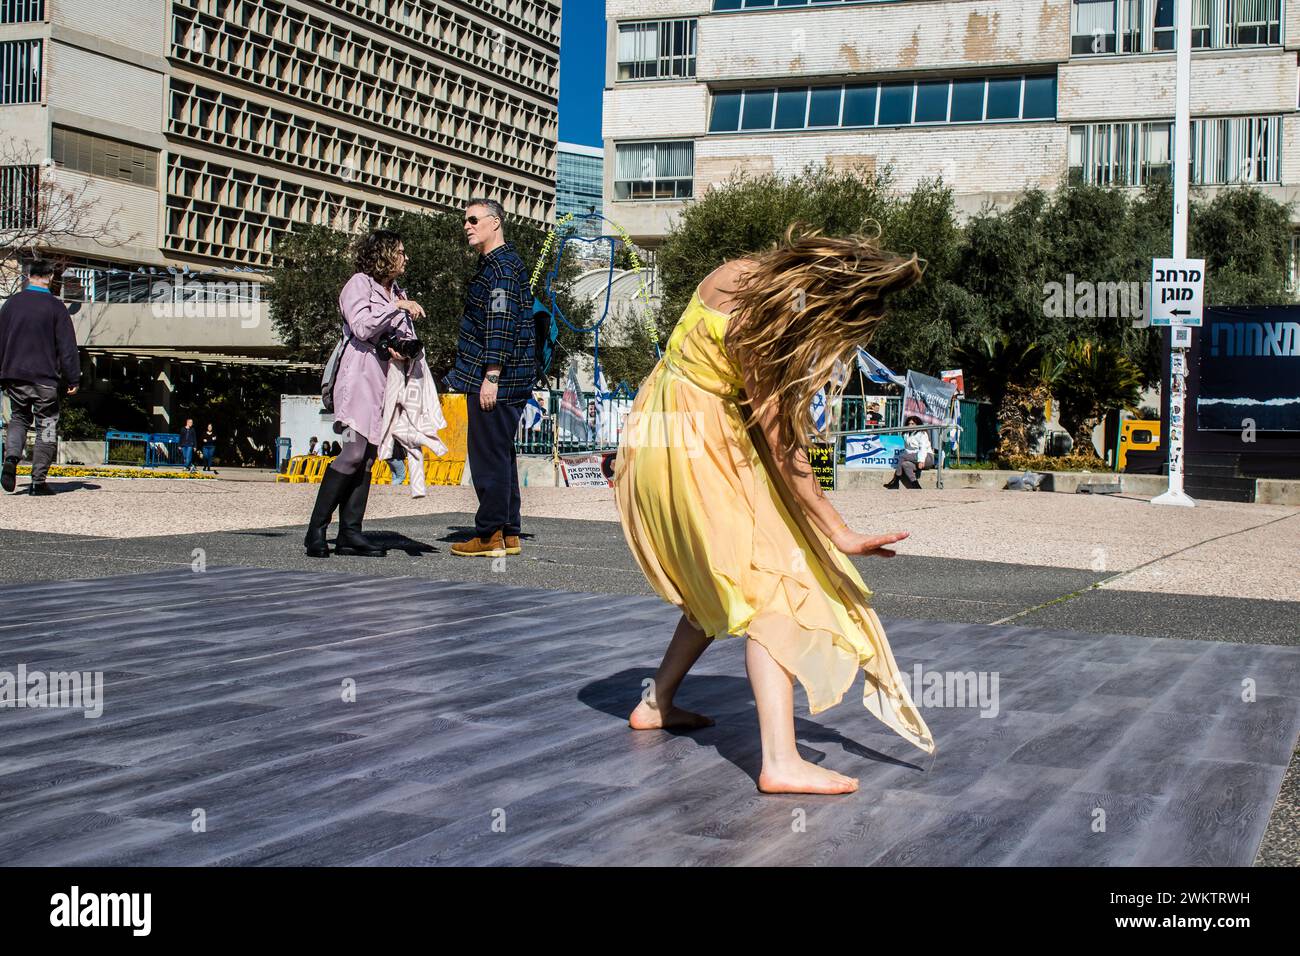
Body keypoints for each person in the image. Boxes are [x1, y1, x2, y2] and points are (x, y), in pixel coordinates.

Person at [614, 225, 935, 796]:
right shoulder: (768, 323)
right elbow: (787, 449)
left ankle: (656, 701)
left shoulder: (737, 270)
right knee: (772, 589)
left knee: (724, 575)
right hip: (701, 448)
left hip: (663, 433)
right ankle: (780, 761)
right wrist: (839, 532)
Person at [304, 229, 422, 558]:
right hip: (358, 376)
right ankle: (316, 529)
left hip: (386, 380)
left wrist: (404, 346)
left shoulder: (397, 291)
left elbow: (396, 334)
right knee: (354, 452)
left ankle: (350, 533)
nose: (405, 258)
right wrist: (397, 307)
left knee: (369, 458)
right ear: (383, 255)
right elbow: (362, 327)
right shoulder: (359, 284)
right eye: (399, 251)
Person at [445, 197, 534, 559]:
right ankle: (508, 532)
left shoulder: (500, 270)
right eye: (465, 220)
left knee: (486, 457)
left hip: (498, 378)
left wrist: (491, 376)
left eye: (473, 219)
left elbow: (500, 324)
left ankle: (489, 535)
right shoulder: (501, 266)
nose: (467, 225)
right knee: (500, 454)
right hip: (509, 377)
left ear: (495, 223)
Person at [0, 259, 81, 496]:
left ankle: (11, 459)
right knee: (47, 423)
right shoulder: (56, 308)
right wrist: (72, 378)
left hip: (15, 375)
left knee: (18, 417)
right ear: (51, 278)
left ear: (28, 276)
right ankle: (38, 482)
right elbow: (67, 347)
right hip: (45, 378)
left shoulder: (12, 304)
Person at [884, 416, 933, 490]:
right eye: (909, 424)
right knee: (905, 464)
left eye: (913, 424)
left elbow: (923, 448)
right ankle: (916, 486)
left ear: (918, 424)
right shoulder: (906, 434)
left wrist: (921, 460)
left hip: (927, 457)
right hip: (915, 458)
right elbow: (908, 450)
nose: (910, 426)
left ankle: (895, 481)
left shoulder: (922, 433)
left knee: (902, 456)